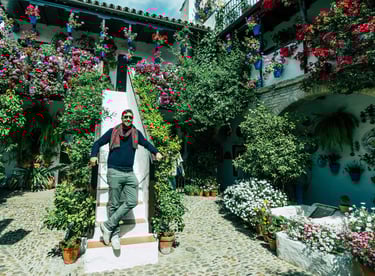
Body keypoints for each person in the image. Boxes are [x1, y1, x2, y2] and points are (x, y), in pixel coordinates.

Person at [89, 109, 162, 250]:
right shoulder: (113, 132)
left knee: (132, 201)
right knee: (114, 204)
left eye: (130, 117)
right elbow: (97, 143)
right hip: (114, 171)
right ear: (122, 118)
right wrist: (93, 155)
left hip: (129, 173)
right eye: (126, 116)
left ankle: (108, 225)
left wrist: (156, 152)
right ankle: (115, 235)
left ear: (132, 119)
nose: (128, 119)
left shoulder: (136, 134)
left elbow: (146, 144)